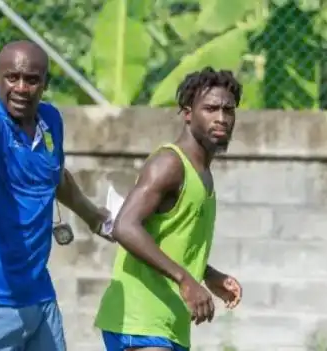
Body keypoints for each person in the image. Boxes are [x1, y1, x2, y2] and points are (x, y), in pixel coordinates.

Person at [0, 40, 111, 351]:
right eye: (12, 77)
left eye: (32, 80)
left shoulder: (50, 122)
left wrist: (93, 216)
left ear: (45, 83)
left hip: (37, 296)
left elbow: (55, 175)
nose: (21, 88)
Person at [94, 68, 244, 351]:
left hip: (167, 324)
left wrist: (207, 275)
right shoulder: (170, 164)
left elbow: (170, 241)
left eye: (228, 110)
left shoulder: (202, 173)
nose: (221, 118)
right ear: (188, 113)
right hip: (140, 321)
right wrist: (185, 279)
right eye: (210, 109)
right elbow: (125, 226)